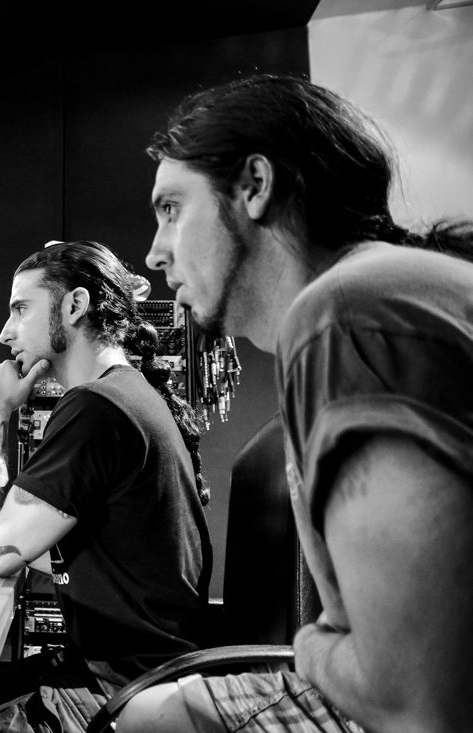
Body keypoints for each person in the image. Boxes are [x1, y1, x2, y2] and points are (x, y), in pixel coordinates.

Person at [117, 73, 473, 732]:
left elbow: (417, 702)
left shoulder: (344, 312)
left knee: (138, 719)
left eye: (171, 209)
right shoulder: (389, 290)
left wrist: (310, 648)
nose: (155, 252)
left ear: (255, 185)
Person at [0, 240, 213, 732]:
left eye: (21, 309)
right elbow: (110, 560)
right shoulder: (125, 397)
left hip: (117, 693)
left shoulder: (97, 407)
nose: (5, 332)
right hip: (137, 679)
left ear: (74, 306)